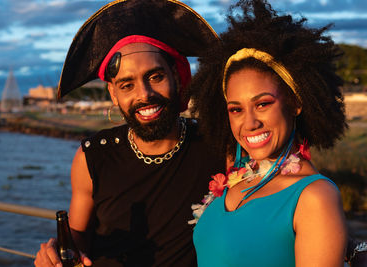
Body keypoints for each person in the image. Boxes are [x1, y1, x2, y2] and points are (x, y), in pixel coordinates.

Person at [34, 0, 224, 266]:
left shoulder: (216, 143)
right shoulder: (92, 158)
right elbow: (76, 243)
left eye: (155, 77)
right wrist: (54, 252)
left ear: (177, 77)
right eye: (127, 85)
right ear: (113, 94)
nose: (144, 94)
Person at [189, 0, 363, 266]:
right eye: (236, 109)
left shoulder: (314, 196)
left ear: (295, 103)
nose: (250, 123)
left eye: (262, 104)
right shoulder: (236, 175)